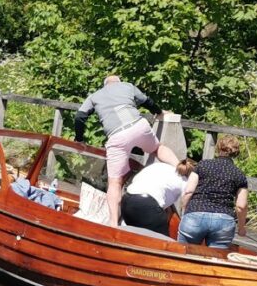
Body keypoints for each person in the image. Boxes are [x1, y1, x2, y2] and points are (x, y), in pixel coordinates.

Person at [71, 74, 179, 226]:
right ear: (118, 82)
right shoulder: (127, 86)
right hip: (138, 126)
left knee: (114, 183)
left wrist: (79, 138)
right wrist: (160, 112)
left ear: (105, 85)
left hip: (117, 136)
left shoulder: (95, 96)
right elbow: (147, 101)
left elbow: (80, 116)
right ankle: (180, 166)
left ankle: (113, 224)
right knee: (157, 148)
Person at [178, 136, 250, 250]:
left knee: (183, 254)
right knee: (215, 261)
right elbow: (241, 206)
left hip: (195, 213)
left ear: (218, 148)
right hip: (223, 221)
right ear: (236, 152)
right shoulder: (239, 174)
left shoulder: (203, 165)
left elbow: (188, 191)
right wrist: (241, 228)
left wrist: (184, 213)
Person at [121, 150, 186, 237]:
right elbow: (187, 204)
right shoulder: (187, 181)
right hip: (146, 204)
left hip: (127, 199)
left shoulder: (162, 167)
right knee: (161, 242)